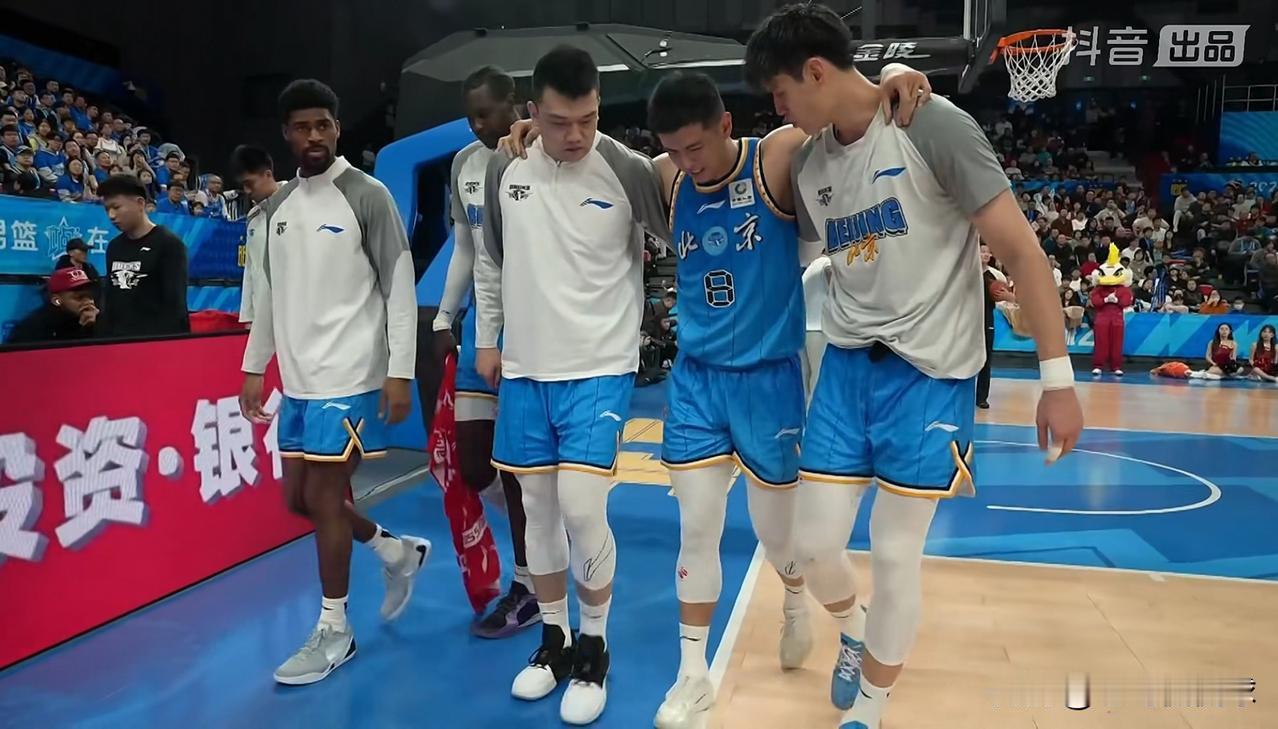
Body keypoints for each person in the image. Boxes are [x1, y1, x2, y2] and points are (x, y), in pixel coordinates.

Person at [744, 5, 1084, 728]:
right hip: (845, 369)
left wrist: (1057, 382)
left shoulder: (933, 126)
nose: (779, 109)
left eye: (781, 93)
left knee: (896, 553)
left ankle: (869, 707)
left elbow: (1022, 252)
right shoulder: (807, 163)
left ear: (815, 71)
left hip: (930, 374)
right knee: (813, 545)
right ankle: (856, 629)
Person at [644, 69, 929, 728]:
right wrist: (526, 132)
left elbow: (851, 114)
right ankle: (692, 675)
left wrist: (892, 76)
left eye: (696, 147)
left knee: (783, 541)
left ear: (725, 125)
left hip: (769, 380)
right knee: (697, 527)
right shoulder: (665, 177)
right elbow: (588, 151)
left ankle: (839, 619)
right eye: (674, 151)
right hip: (696, 379)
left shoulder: (773, 156)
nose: (687, 162)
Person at [474, 46, 670, 725]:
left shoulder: (626, 168)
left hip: (599, 365)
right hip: (528, 368)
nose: (576, 134)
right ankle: (553, 641)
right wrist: (489, 339)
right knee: (538, 509)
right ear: (533, 112)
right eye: (559, 122)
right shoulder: (505, 166)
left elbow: (686, 216)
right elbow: (495, 258)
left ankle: (594, 648)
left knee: (583, 507)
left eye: (588, 118)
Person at [238, 79, 429, 686]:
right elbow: (268, 297)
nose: (314, 135)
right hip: (297, 382)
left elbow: (400, 287)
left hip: (350, 375)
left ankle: (334, 630)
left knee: (324, 497)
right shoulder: (276, 210)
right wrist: (253, 366)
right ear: (287, 135)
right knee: (299, 500)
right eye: (302, 127)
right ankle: (395, 550)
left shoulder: (368, 195)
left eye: (323, 124)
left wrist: (399, 372)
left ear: (338, 128)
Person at [432, 65, 539, 638]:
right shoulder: (464, 165)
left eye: (486, 113)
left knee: (518, 472)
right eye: (469, 116)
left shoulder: (539, 156)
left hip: (531, 336)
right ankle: (541, 535)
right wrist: (444, 316)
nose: (477, 125)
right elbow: (466, 249)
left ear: (513, 103)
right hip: (482, 334)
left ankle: (528, 583)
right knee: (475, 466)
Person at [97, 174, 190, 338]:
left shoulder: (169, 244)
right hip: (117, 342)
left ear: (140, 203)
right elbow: (110, 299)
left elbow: (175, 306)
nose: (111, 215)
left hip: (153, 343)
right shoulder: (114, 247)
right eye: (107, 209)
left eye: (116, 207)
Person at [230, 144, 281, 326]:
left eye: (249, 183)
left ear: (267, 174)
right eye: (243, 185)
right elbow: (251, 268)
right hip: (262, 318)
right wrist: (248, 317)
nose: (247, 191)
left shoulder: (298, 205)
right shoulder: (253, 217)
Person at [4, 267, 98, 345]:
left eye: (90, 296)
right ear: (56, 300)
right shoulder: (32, 328)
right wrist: (81, 331)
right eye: (79, 297)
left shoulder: (95, 317)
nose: (88, 302)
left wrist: (91, 328)